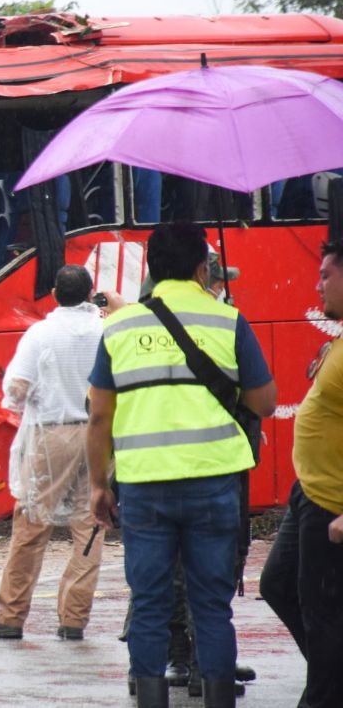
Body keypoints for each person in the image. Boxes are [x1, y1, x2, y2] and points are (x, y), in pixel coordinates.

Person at [87, 222, 276, 708]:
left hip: (145, 487)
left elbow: (99, 417)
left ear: (150, 269)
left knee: (150, 604)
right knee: (210, 607)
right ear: (202, 268)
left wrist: (97, 487)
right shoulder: (226, 320)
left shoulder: (119, 326)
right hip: (213, 483)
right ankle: (216, 698)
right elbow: (266, 402)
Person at [0, 265, 105, 641]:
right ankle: (73, 619)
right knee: (90, 526)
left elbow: (16, 390)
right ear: (89, 292)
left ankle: (11, 616)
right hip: (98, 432)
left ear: (53, 294)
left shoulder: (40, 334)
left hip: (51, 436)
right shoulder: (104, 331)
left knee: (32, 525)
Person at [259, 238, 343, 708]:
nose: (317, 286)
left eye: (326, 275)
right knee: (278, 585)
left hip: (333, 504)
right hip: (308, 493)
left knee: (323, 614)